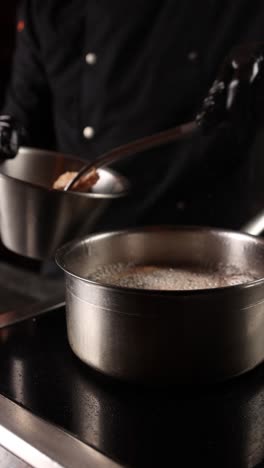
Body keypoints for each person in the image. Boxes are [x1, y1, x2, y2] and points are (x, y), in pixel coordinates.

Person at [1, 0, 264, 231]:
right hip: (77, 241)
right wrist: (6, 133)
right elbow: (23, 111)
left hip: (201, 241)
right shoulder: (47, 7)